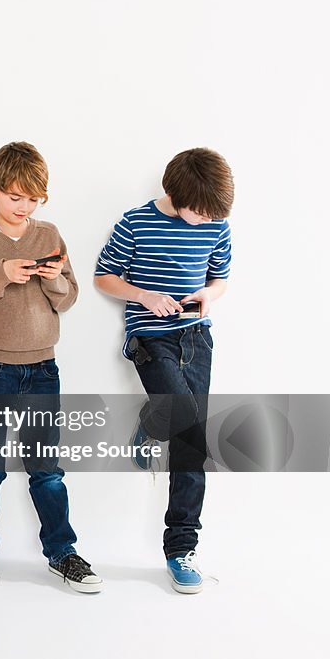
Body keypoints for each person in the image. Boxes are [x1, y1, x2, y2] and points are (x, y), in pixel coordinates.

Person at [0, 141, 103, 593]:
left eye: (33, 199)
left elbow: (70, 296)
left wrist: (52, 277)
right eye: (15, 196)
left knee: (47, 468)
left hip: (42, 367)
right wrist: (0, 276)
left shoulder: (49, 235)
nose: (23, 207)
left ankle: (62, 553)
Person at [94, 147, 233, 594]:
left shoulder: (216, 225)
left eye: (213, 215)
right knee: (185, 418)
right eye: (199, 212)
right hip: (151, 336)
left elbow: (220, 278)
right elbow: (103, 276)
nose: (205, 220)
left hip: (197, 336)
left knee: (193, 443)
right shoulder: (136, 222)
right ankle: (155, 419)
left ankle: (180, 549)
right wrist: (145, 297)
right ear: (174, 193)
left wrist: (208, 296)